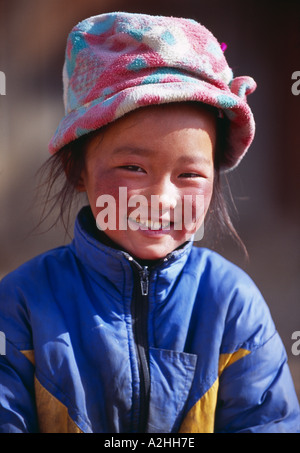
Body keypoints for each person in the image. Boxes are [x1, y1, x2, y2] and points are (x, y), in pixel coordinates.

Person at [0, 11, 299, 434]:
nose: (161, 199)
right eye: (133, 168)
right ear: (77, 168)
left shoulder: (231, 306)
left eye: (190, 175)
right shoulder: (22, 305)